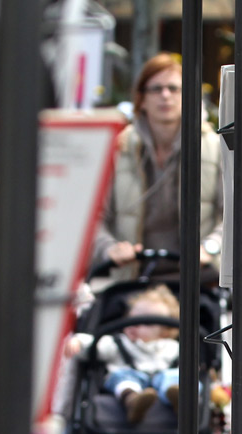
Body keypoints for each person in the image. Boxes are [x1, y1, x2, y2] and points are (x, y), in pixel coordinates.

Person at [91, 52, 224, 279]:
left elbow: (233, 215)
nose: (165, 95)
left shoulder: (214, 146)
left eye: (174, 89)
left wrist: (210, 247)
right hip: (132, 279)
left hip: (199, 280)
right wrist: (109, 248)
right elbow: (93, 218)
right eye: (156, 89)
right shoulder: (117, 147)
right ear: (141, 99)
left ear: (189, 96)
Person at [64, 284, 181, 426]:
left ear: (165, 332)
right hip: (131, 381)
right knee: (122, 376)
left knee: (175, 375)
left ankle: (179, 398)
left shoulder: (173, 348)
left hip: (163, 385)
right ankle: (132, 401)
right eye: (132, 318)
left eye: (146, 323)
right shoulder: (118, 343)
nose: (135, 324)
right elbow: (93, 343)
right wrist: (78, 342)